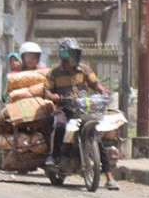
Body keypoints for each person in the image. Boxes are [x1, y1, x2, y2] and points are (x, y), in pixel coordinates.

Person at [43, 37, 118, 189]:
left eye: (75, 54)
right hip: (63, 108)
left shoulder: (84, 69)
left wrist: (102, 91)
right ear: (63, 56)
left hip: (82, 109)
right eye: (70, 55)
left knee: (96, 136)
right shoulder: (54, 73)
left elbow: (96, 84)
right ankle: (54, 157)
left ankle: (109, 177)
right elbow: (46, 92)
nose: (73, 58)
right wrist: (54, 96)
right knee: (60, 126)